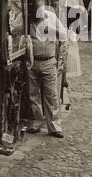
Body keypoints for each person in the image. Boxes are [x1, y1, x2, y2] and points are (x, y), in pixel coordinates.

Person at [27, 7, 65, 137]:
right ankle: (36, 122)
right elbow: (14, 30)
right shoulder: (26, 17)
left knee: (51, 94)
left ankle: (54, 126)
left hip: (49, 61)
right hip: (32, 61)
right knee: (33, 94)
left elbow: (64, 34)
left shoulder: (51, 18)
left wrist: (52, 31)